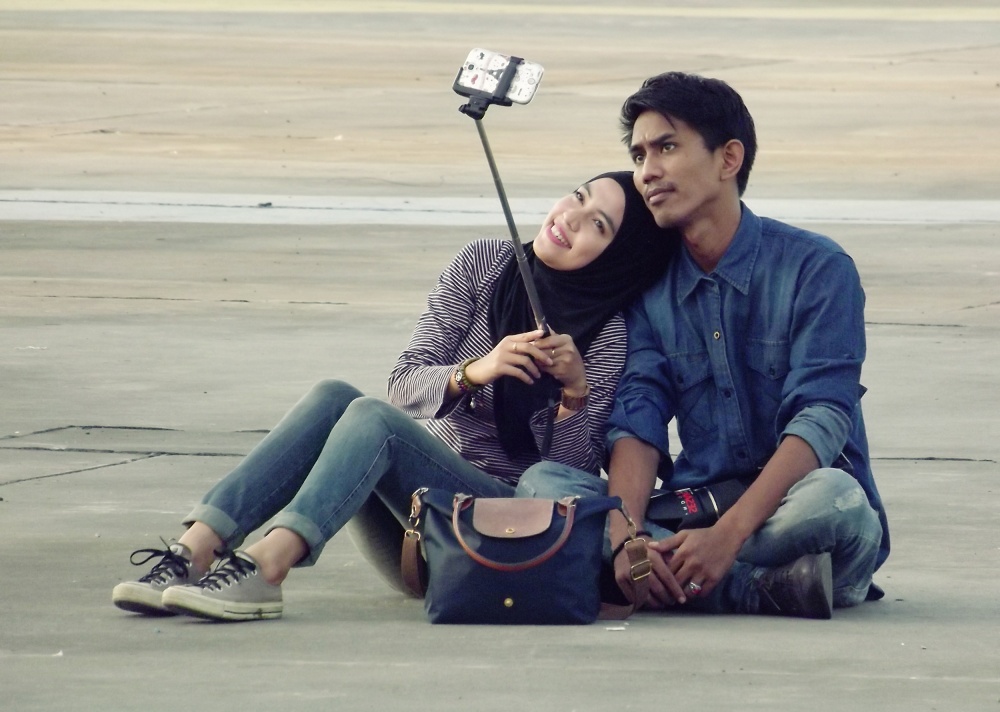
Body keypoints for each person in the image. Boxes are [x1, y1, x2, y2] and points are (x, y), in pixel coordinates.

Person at [111, 170, 677, 622]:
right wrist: (476, 371)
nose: (570, 218)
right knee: (336, 397)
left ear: (616, 258)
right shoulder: (484, 263)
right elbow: (404, 386)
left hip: (509, 540)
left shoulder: (606, 337)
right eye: (577, 197)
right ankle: (194, 551)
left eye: (597, 225)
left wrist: (575, 391)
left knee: (372, 420)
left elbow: (564, 486)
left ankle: (267, 566)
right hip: (421, 519)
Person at [518, 72, 889, 619]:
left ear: (728, 158)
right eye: (639, 155)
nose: (647, 172)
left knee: (836, 498)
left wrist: (728, 537)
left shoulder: (818, 269)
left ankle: (673, 579)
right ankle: (763, 588)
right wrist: (628, 537)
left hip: (793, 509)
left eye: (666, 148)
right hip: (694, 511)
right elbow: (638, 413)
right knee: (541, 485)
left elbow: (823, 416)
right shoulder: (650, 287)